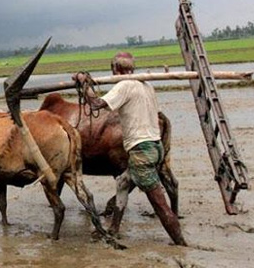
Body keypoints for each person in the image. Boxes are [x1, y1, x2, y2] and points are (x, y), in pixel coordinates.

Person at [73, 52, 187, 246]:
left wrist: (84, 84)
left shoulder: (124, 86)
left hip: (141, 151)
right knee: (123, 183)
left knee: (160, 206)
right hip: (155, 146)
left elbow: (95, 106)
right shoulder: (147, 85)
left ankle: (181, 245)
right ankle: (113, 229)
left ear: (115, 69)